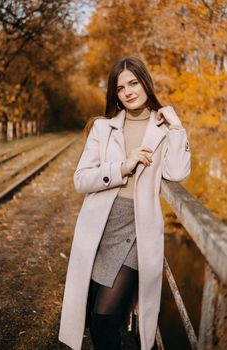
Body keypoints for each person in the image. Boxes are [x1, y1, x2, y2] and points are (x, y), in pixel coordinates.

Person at [58, 56, 191, 350]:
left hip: (137, 229)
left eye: (133, 83)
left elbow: (177, 173)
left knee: (105, 315)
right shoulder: (102, 128)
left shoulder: (164, 129)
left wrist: (177, 125)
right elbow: (81, 180)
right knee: (94, 316)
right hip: (101, 226)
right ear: (115, 94)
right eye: (120, 88)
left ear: (145, 82)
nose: (129, 91)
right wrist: (122, 167)